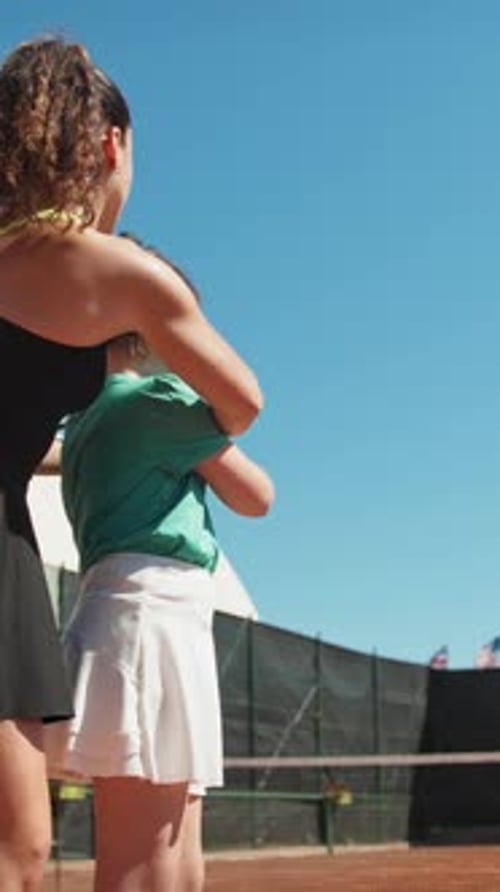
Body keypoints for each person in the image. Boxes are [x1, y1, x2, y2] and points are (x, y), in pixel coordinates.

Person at [0, 36, 263, 891]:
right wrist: (182, 420)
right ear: (110, 144)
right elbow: (245, 403)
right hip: (93, 592)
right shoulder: (119, 274)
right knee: (23, 851)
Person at [45, 262, 274, 890]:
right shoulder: (156, 402)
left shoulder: (85, 420)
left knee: (172, 855)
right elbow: (258, 497)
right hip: (152, 623)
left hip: (142, 618)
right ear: (143, 332)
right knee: (147, 862)